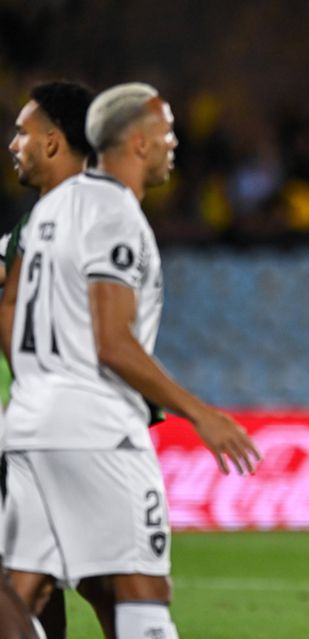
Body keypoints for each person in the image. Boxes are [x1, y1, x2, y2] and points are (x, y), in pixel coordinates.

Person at [0, 82, 261, 639]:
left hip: (29, 421)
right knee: (142, 592)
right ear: (137, 143)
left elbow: (12, 306)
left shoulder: (50, 211)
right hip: (96, 427)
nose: (174, 144)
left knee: (21, 590)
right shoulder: (113, 213)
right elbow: (112, 342)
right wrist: (201, 414)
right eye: (166, 132)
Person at [2, 80, 100, 639]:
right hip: (58, 425)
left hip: (67, 426)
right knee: (98, 586)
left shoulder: (88, 214)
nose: (13, 143)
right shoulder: (43, 218)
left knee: (29, 580)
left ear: (55, 142)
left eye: (22, 132)